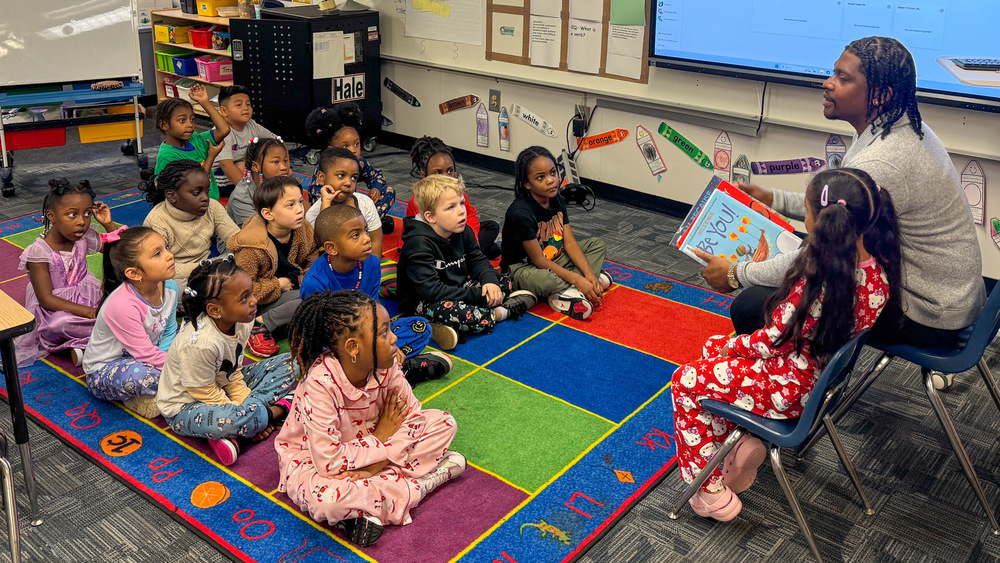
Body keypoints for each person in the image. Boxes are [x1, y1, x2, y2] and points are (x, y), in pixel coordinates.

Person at [701, 37, 985, 348]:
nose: (828, 83)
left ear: (881, 95)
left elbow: (823, 252)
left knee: (754, 305)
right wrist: (772, 200)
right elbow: (836, 202)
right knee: (789, 264)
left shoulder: (881, 161)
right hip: (947, 296)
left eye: (843, 78)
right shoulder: (892, 126)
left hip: (927, 314)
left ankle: (793, 376)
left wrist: (737, 273)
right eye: (833, 72)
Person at [676, 168, 901, 521]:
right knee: (712, 350)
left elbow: (773, 340)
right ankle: (736, 449)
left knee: (685, 382)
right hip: (820, 380)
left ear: (818, 221)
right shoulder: (880, 273)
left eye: (807, 212)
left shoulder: (817, 280)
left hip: (788, 387)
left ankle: (708, 492)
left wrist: (733, 348)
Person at [276, 290, 465, 547]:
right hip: (315, 460)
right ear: (353, 347)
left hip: (375, 453)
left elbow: (414, 418)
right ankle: (422, 485)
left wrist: (377, 463)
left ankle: (368, 503)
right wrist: (379, 437)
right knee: (327, 500)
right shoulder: (319, 384)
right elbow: (328, 463)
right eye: (384, 332)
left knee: (444, 423)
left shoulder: (387, 366)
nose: (394, 338)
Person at [157, 258, 296, 466]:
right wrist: (245, 413)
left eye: (251, 293)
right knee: (230, 419)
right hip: (187, 406)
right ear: (215, 310)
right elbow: (204, 392)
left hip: (222, 387)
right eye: (244, 298)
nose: (253, 301)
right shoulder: (201, 343)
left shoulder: (242, 321)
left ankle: (243, 428)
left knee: (291, 362)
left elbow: (234, 373)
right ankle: (279, 409)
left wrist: (245, 405)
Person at [301, 204, 451, 384]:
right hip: (337, 346)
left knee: (421, 327)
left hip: (369, 335)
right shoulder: (315, 282)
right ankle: (398, 369)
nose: (367, 239)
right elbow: (317, 335)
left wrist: (388, 342)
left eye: (365, 231)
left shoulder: (371, 264)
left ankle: (381, 368)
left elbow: (374, 312)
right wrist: (377, 347)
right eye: (355, 235)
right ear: (332, 248)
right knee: (324, 365)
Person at [398, 174, 538, 350]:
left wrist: (489, 281)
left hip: (458, 288)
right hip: (423, 301)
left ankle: (456, 322)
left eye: (462, 203)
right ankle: (501, 312)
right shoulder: (418, 244)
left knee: (503, 281)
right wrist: (479, 295)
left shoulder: (463, 230)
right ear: (431, 217)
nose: (461, 211)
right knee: (467, 314)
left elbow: (478, 260)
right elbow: (431, 291)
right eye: (451, 207)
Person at [500, 146, 612, 321]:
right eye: (540, 177)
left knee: (597, 245)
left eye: (553, 173)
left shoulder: (557, 199)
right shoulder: (521, 213)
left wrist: (588, 274)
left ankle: (569, 292)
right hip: (523, 267)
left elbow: (569, 243)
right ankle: (573, 289)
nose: (551, 180)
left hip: (554, 257)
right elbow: (539, 260)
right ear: (527, 183)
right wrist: (578, 279)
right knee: (548, 281)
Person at [16, 179, 117, 367]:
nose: (82, 222)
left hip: (89, 295)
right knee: (59, 325)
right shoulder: (39, 252)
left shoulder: (84, 237)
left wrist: (108, 223)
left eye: (87, 213)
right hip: (56, 309)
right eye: (72, 214)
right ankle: (108, 339)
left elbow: (118, 251)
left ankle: (83, 345)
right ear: (51, 216)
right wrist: (90, 313)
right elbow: (46, 300)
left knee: (118, 302)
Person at [83, 227, 178, 419]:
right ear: (134, 274)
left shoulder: (170, 287)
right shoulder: (123, 304)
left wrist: (176, 360)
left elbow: (169, 330)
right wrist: (182, 369)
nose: (170, 255)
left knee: (197, 342)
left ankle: (164, 393)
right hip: (107, 369)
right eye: (158, 254)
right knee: (145, 376)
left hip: (150, 356)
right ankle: (143, 398)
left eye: (166, 248)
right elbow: (145, 353)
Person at [228, 176, 320, 358]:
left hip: (291, 294)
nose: (300, 209)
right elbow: (243, 292)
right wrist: (277, 285)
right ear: (268, 214)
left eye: (300, 201)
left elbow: (312, 260)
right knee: (313, 300)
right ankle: (259, 325)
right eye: (290, 205)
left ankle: (288, 324)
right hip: (258, 304)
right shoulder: (252, 246)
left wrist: (304, 281)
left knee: (321, 296)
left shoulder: (303, 229)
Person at [142, 159, 241, 293]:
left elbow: (237, 240)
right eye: (196, 193)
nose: (205, 198)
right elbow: (162, 267)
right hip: (175, 275)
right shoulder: (157, 222)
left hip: (208, 267)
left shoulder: (212, 207)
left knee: (247, 257)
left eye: (207, 191)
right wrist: (209, 266)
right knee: (173, 290)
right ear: (172, 196)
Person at [406, 136, 502, 259]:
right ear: (424, 175)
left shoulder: (455, 191)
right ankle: (478, 253)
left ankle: (477, 251)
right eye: (437, 173)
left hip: (455, 231)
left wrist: (473, 240)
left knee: (492, 226)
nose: (446, 177)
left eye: (450, 170)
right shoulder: (419, 200)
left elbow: (470, 214)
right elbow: (426, 234)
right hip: (436, 243)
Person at [305, 103, 395, 230]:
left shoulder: (359, 162)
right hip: (331, 215)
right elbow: (318, 203)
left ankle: (368, 222)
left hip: (353, 205)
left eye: (356, 144)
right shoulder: (324, 168)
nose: (353, 150)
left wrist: (376, 189)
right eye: (345, 146)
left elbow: (376, 176)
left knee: (389, 192)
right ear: (331, 148)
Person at [152, 84, 230, 200]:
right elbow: (195, 185)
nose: (190, 124)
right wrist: (211, 157)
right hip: (189, 206)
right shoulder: (167, 156)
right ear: (164, 125)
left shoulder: (195, 139)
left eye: (192, 119)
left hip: (210, 202)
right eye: (182, 120)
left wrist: (204, 102)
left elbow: (224, 129)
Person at [305, 147, 384, 258]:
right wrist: (326, 204)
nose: (348, 183)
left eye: (354, 178)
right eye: (341, 175)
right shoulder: (313, 214)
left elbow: (376, 241)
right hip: (332, 263)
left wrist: (372, 266)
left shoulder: (365, 204)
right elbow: (323, 241)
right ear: (321, 178)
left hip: (363, 261)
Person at [214, 85, 276, 195]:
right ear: (224, 111)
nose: (246, 108)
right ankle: (251, 192)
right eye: (239, 105)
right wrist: (250, 193)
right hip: (218, 178)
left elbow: (276, 141)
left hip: (243, 171)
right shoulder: (222, 132)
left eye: (248, 104)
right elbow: (226, 165)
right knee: (243, 166)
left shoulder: (252, 125)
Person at [225, 137, 292, 226]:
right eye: (276, 162)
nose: (284, 167)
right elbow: (254, 231)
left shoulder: (286, 185)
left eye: (285, 161)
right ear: (255, 167)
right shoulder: (242, 197)